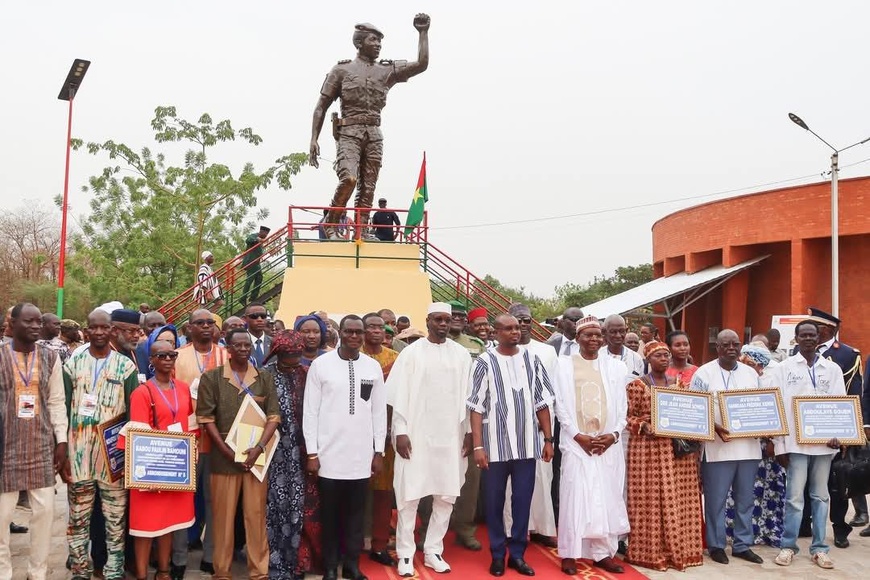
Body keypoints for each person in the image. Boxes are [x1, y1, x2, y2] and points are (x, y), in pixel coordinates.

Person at [309, 16, 431, 240]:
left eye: (380, 41)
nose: (378, 45)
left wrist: (423, 33)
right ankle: (331, 223)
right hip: (349, 133)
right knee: (349, 179)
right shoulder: (341, 70)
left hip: (374, 134)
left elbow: (422, 64)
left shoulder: (386, 71)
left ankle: (362, 230)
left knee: (368, 186)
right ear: (359, 43)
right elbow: (321, 106)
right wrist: (313, 138)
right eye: (373, 40)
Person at [386, 302, 473, 577]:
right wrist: (400, 431)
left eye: (447, 319)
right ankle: (405, 554)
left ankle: (434, 550)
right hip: (416, 435)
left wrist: (470, 432)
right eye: (438, 319)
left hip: (450, 436)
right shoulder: (411, 353)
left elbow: (469, 398)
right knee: (409, 496)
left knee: (446, 495)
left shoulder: (461, 355)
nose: (443, 324)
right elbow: (398, 396)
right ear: (428, 321)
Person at [468, 314, 554, 577]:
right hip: (494, 447)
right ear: (495, 332)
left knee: (522, 501)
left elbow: (542, 402)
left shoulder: (532, 360)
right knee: (494, 502)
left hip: (527, 445)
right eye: (508, 328)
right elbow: (475, 407)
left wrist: (548, 439)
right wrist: (478, 447)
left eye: (517, 327)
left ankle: (517, 554)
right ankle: (497, 554)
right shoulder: (484, 362)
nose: (515, 332)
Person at [303, 315, 387, 580]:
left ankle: (351, 565)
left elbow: (378, 412)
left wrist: (379, 451)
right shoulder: (321, 365)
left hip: (361, 456)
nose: (354, 336)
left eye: (358, 332)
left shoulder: (372, 367)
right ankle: (330, 566)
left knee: (355, 516)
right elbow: (310, 412)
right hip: (328, 455)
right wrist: (312, 452)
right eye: (349, 331)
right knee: (329, 515)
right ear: (340, 333)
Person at [196, 328, 280, 580]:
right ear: (228, 349)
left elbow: (274, 417)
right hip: (224, 459)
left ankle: (259, 572)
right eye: (238, 345)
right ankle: (222, 571)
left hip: (256, 460)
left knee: (256, 516)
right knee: (222, 518)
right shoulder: (212, 378)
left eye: (247, 345)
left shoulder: (264, 377)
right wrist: (227, 452)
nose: (243, 349)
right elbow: (206, 419)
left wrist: (259, 448)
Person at [62, 309, 139, 580]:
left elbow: (133, 415)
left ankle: (114, 571)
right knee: (78, 519)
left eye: (103, 327)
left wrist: (129, 456)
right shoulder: (73, 362)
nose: (98, 332)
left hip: (113, 459)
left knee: (115, 520)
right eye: (93, 327)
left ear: (111, 330)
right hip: (78, 455)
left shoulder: (125, 367)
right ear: (86, 330)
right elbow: (63, 409)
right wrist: (63, 453)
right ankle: (80, 571)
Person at [552, 316, 629, 575]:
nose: (594, 339)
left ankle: (602, 553)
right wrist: (577, 435)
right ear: (578, 338)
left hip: (607, 444)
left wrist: (613, 435)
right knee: (575, 497)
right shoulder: (563, 365)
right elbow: (560, 405)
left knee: (606, 497)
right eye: (588, 334)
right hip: (577, 443)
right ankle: (570, 553)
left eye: (598, 334)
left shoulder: (616, 367)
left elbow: (622, 406)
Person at [0, 303, 68, 580]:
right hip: (5, 448)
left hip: (41, 447)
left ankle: (37, 572)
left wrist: (61, 440)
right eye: (29, 321)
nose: (36, 326)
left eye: (39, 321)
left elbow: (57, 402)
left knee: (45, 514)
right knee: (2, 518)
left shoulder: (51, 358)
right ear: (12, 324)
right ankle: (3, 572)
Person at [120, 334, 195, 580]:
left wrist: (191, 454)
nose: (167, 359)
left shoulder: (183, 388)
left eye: (172, 354)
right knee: (144, 527)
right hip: (150, 469)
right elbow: (139, 434)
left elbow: (190, 425)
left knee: (169, 524)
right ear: (151, 360)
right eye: (161, 355)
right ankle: (142, 574)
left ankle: (163, 572)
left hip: (175, 468)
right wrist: (148, 473)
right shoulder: (142, 392)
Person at [773, 320, 845, 570]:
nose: (808, 339)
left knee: (821, 496)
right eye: (803, 335)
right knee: (794, 498)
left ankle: (820, 548)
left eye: (812, 335)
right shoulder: (783, 368)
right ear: (796, 339)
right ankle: (788, 546)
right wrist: (779, 445)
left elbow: (840, 405)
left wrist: (838, 436)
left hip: (824, 446)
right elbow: (778, 406)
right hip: (795, 444)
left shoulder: (832, 369)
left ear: (818, 338)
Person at [625, 341, 703, 571]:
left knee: (679, 498)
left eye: (666, 355)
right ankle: (650, 551)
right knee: (650, 499)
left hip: (678, 452)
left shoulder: (679, 384)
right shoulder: (637, 386)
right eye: (658, 355)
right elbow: (626, 416)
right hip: (647, 450)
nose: (663, 359)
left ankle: (681, 550)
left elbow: (690, 411)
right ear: (648, 359)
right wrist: (644, 426)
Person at [690, 329, 763, 566]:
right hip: (717, 449)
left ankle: (742, 544)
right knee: (716, 500)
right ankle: (716, 545)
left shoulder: (751, 373)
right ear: (717, 348)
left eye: (735, 344)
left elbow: (763, 405)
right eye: (726, 345)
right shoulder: (703, 373)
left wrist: (767, 426)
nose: (731, 348)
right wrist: (714, 426)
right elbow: (695, 408)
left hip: (749, 448)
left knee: (745, 500)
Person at [805, 307, 866, 546]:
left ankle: (840, 528)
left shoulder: (848, 354)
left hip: (834, 430)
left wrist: (849, 432)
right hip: (806, 428)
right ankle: (804, 524)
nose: (810, 333)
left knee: (837, 481)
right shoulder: (800, 351)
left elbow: (855, 395)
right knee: (805, 480)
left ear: (827, 330)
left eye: (815, 328)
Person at [174, 310, 227, 575]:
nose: (206, 326)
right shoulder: (177, 356)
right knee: (181, 499)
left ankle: (210, 555)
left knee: (214, 500)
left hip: (217, 440)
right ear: (189, 328)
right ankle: (178, 557)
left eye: (210, 323)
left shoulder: (226, 356)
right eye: (200, 323)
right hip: (185, 439)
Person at [502, 303, 558, 549]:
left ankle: (542, 528)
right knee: (511, 480)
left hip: (540, 425)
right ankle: (513, 528)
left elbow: (552, 390)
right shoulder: (498, 351)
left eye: (526, 320)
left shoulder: (547, 351)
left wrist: (546, 425)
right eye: (517, 321)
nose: (522, 325)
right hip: (509, 425)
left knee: (543, 476)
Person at [724, 343, 785, 548]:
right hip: (740, 446)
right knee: (739, 492)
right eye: (746, 362)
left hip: (766, 447)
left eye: (754, 364)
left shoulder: (771, 383)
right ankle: (734, 531)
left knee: (766, 492)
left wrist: (773, 441)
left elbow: (776, 415)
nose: (749, 367)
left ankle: (764, 532)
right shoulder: (735, 380)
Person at [263, 330, 311, 579]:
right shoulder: (265, 376)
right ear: (278, 353)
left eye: (297, 355)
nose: (294, 361)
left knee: (297, 506)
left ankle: (295, 561)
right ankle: (274, 563)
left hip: (302, 452)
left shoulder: (306, 374)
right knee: (273, 507)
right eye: (289, 356)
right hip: (273, 453)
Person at [360, 313, 400, 568]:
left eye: (380, 327)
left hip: (387, 434)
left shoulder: (395, 359)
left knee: (384, 492)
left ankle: (379, 544)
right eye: (371, 326)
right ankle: (354, 541)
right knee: (356, 490)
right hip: (356, 434)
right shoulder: (354, 357)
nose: (376, 331)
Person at [241, 226, 270, 304]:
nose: (266, 235)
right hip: (250, 262)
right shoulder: (254, 236)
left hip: (256, 263)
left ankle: (253, 297)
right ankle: (243, 298)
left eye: (267, 234)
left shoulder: (260, 241)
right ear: (261, 232)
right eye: (265, 233)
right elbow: (248, 240)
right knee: (250, 280)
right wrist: (258, 239)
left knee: (259, 278)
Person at [134, 311, 167, 376]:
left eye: (161, 325)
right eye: (152, 325)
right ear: (144, 329)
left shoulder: (174, 346)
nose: (157, 329)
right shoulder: (139, 350)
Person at [245, 303, 272, 368]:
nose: (259, 319)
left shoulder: (274, 343)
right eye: (254, 316)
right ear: (245, 319)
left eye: (263, 316)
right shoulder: (238, 343)